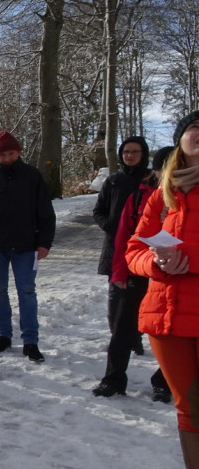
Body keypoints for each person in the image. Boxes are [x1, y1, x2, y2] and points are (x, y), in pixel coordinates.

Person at [125, 110, 199, 469]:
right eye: (193, 128)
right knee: (188, 407)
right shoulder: (163, 193)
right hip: (164, 315)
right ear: (179, 141)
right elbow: (134, 246)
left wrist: (190, 259)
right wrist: (153, 261)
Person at [93, 146, 172, 400]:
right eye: (163, 168)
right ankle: (113, 379)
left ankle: (164, 382)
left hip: (174, 277)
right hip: (137, 271)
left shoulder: (187, 197)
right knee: (123, 328)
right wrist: (119, 272)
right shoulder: (139, 196)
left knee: (168, 333)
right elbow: (124, 238)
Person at [0, 130, 55, 362]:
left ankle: (30, 340)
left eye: (11, 153)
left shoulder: (32, 176)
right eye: (3, 155)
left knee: (27, 292)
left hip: (26, 246)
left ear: (18, 152)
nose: (7, 158)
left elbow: (45, 212)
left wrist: (44, 243)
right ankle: (3, 335)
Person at [93, 136, 150, 351]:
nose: (130, 155)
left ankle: (135, 337)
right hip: (115, 247)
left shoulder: (151, 179)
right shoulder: (113, 180)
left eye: (134, 151)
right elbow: (99, 211)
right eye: (126, 151)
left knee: (139, 296)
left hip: (144, 247)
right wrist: (109, 226)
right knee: (116, 295)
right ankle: (118, 338)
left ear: (142, 154)